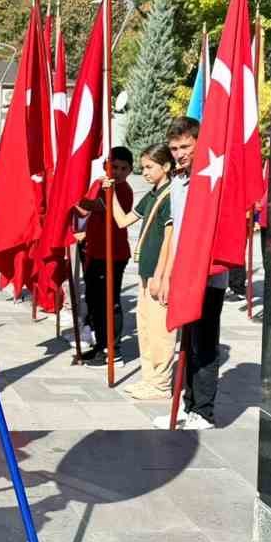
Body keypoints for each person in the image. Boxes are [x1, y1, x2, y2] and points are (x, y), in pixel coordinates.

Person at [147, 116, 228, 430]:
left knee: (204, 345)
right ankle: (187, 404)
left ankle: (204, 411)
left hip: (207, 276)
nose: (179, 153)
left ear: (199, 143)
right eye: (174, 148)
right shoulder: (179, 182)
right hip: (183, 273)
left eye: (185, 146)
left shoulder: (211, 180)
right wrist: (166, 274)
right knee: (187, 342)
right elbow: (176, 233)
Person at [104, 144, 176, 399]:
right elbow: (123, 220)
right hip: (145, 274)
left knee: (160, 332)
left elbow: (170, 238)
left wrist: (160, 275)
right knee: (145, 328)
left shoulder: (171, 195)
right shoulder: (153, 194)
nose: (144, 172)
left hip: (159, 275)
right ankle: (149, 379)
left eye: (149, 167)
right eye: (143, 167)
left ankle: (161, 383)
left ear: (166, 167)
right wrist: (110, 192)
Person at [75, 146, 134, 364]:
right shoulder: (100, 184)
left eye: (122, 168)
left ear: (129, 171)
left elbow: (99, 206)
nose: (117, 171)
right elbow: (86, 211)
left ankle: (112, 349)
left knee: (109, 302)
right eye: (113, 166)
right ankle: (100, 344)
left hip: (114, 254)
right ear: (105, 166)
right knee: (94, 301)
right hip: (95, 251)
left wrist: (73, 192)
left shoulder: (123, 190)